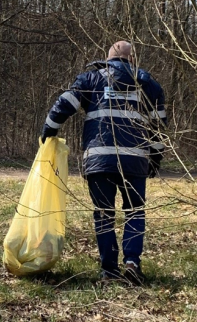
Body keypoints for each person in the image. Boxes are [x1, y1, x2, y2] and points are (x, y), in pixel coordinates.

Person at [40, 41, 167, 285]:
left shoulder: (91, 80)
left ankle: (109, 270)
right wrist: (155, 157)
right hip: (135, 161)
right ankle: (132, 263)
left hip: (99, 160)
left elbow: (64, 104)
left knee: (104, 214)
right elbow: (159, 127)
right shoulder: (147, 84)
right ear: (132, 60)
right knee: (135, 211)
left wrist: (49, 132)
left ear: (107, 59)